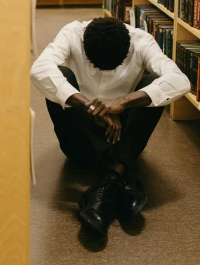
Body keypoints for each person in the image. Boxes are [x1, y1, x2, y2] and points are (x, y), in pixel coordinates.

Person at [30, 16, 190, 235]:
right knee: (59, 77)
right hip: (82, 139)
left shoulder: (141, 41)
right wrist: (89, 106)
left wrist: (122, 102)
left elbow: (180, 80)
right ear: (85, 49)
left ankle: (105, 185)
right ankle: (118, 176)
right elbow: (39, 69)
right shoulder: (73, 34)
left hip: (122, 135)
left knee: (153, 84)